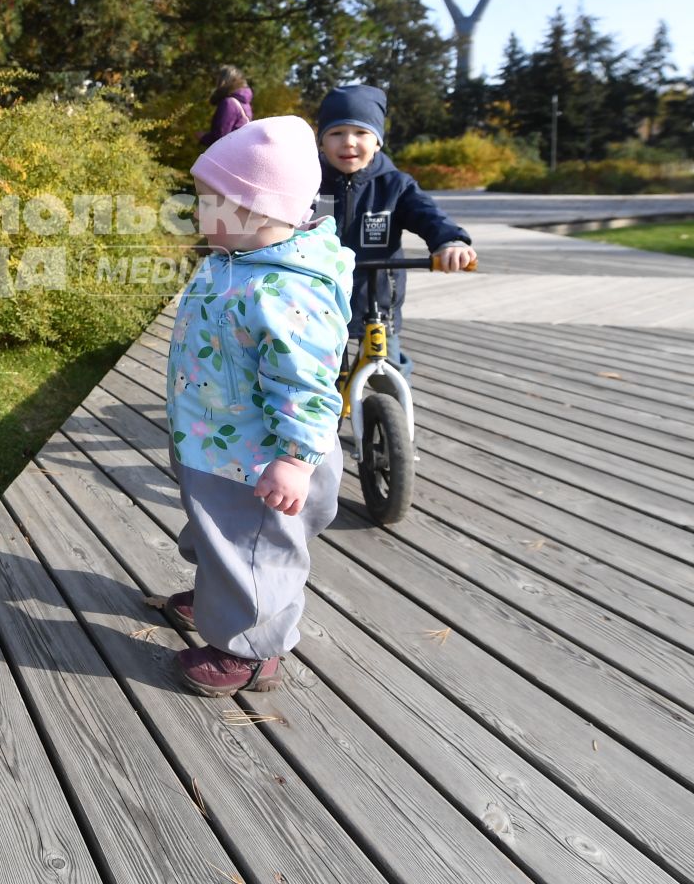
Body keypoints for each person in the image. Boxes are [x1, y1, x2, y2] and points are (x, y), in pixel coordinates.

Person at [163, 116, 351, 694]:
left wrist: (295, 459)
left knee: (256, 548)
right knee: (222, 536)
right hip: (215, 437)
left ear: (257, 210)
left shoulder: (290, 289)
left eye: (208, 202)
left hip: (261, 459)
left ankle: (252, 650)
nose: (196, 214)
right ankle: (224, 595)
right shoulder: (235, 257)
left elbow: (309, 387)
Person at [315, 84, 475, 377]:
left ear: (377, 142)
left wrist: (450, 241)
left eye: (361, 133)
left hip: (375, 301)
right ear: (321, 142)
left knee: (389, 372)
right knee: (320, 380)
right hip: (318, 300)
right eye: (336, 133)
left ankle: (395, 416)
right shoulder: (308, 184)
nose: (348, 142)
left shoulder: (395, 185)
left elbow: (427, 213)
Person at [196, 64, 253, 147]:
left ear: (224, 80)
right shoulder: (244, 102)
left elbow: (220, 138)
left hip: (228, 154)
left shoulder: (229, 103)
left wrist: (203, 137)